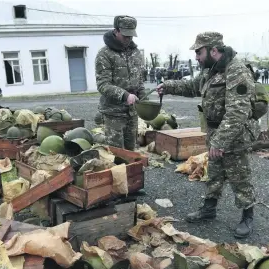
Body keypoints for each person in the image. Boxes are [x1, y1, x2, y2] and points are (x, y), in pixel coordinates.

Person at [156, 32, 258, 239]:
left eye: (199, 52)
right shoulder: (210, 70)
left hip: (234, 134)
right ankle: (209, 209)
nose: (196, 57)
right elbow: (192, 86)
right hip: (214, 131)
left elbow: (238, 112)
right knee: (215, 173)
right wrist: (167, 86)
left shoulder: (237, 70)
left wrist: (220, 141)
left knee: (239, 176)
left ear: (213, 50)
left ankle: (248, 215)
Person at [95, 15, 146, 151]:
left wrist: (145, 98)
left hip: (132, 113)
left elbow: (139, 81)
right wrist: (125, 95)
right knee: (116, 154)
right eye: (125, 36)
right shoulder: (104, 54)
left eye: (131, 36)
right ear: (116, 31)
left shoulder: (136, 53)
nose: (128, 39)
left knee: (131, 153)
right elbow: (103, 85)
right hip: (113, 114)